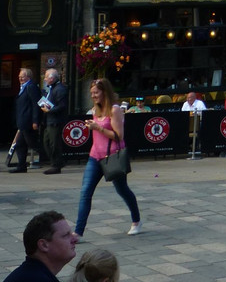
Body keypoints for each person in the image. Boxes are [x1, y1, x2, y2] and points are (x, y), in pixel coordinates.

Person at [74, 78, 141, 240]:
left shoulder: (115, 110)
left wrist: (97, 127)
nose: (94, 96)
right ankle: (78, 232)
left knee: (122, 190)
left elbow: (118, 136)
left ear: (105, 92)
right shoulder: (96, 109)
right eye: (91, 93)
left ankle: (136, 220)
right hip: (94, 156)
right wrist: (93, 125)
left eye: (96, 93)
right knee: (85, 193)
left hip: (112, 156)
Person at [3, 211, 78, 282]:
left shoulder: (29, 274)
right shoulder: (37, 279)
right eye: (66, 235)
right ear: (44, 245)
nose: (75, 239)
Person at [10, 69, 41, 174]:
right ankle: (21, 166)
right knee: (19, 144)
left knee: (33, 143)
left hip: (28, 122)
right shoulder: (23, 87)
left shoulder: (31, 87)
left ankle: (53, 159)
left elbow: (35, 104)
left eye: (22, 76)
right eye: (19, 76)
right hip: (22, 121)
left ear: (29, 77)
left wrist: (35, 121)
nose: (20, 78)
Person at [39, 69, 67, 176]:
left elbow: (62, 106)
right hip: (49, 120)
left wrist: (50, 110)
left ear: (51, 78)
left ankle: (56, 165)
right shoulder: (52, 88)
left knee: (54, 144)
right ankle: (57, 162)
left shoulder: (60, 89)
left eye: (46, 77)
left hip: (55, 121)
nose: (45, 79)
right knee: (46, 142)